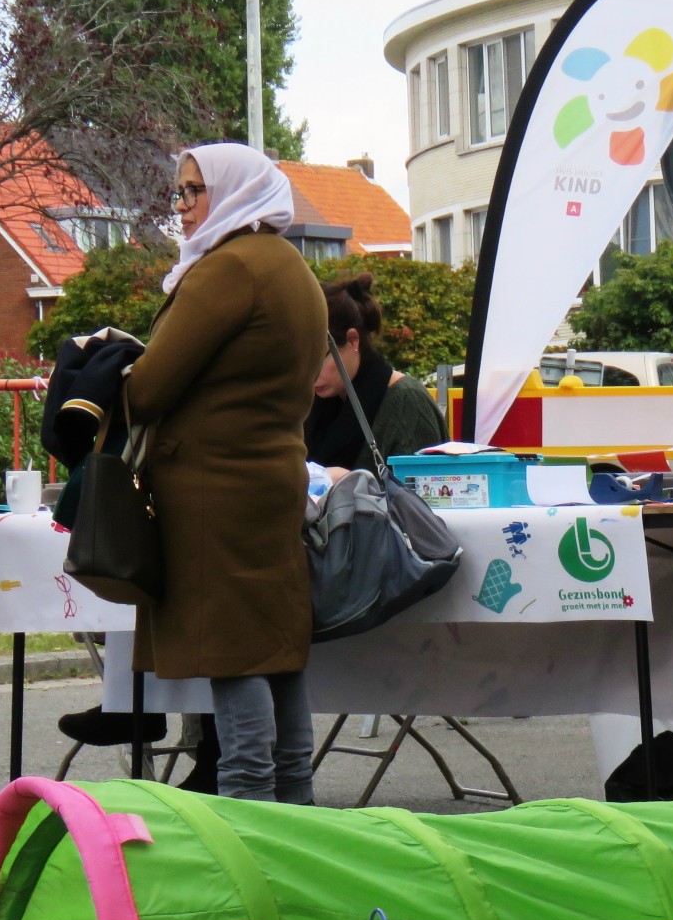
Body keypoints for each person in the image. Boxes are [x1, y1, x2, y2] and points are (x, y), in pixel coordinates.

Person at [125, 143, 327, 804]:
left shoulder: (228, 267)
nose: (180, 208)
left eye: (193, 191)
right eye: (178, 193)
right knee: (278, 653)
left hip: (213, 494)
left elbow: (149, 387)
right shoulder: (290, 266)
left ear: (235, 192)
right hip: (273, 482)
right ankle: (301, 828)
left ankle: (253, 837)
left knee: (235, 659)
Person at [305, 273, 447, 468]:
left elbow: (424, 493)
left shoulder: (408, 403)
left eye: (318, 359)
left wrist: (351, 483)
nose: (308, 374)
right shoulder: (317, 404)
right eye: (300, 361)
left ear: (353, 340)